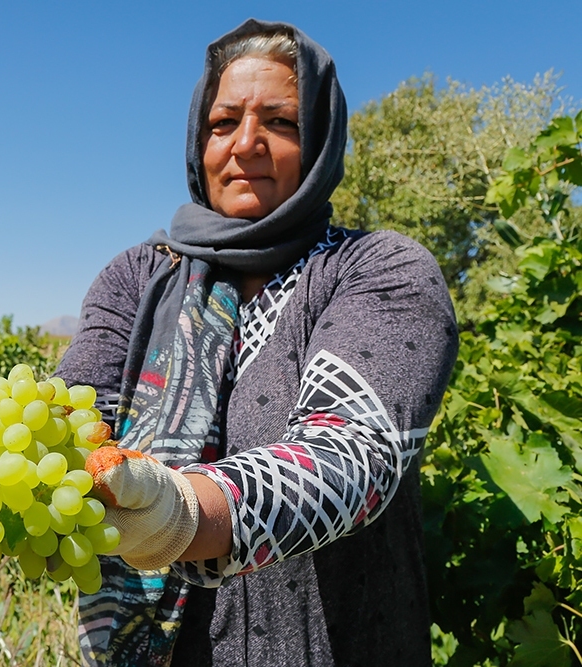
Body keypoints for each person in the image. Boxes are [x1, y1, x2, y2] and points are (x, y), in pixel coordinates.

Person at [54, 18, 458, 666]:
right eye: (222, 123)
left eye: (282, 122)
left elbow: (351, 453)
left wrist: (180, 509)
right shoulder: (139, 276)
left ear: (322, 141)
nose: (246, 145)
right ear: (198, 141)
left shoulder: (379, 269)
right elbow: (72, 416)